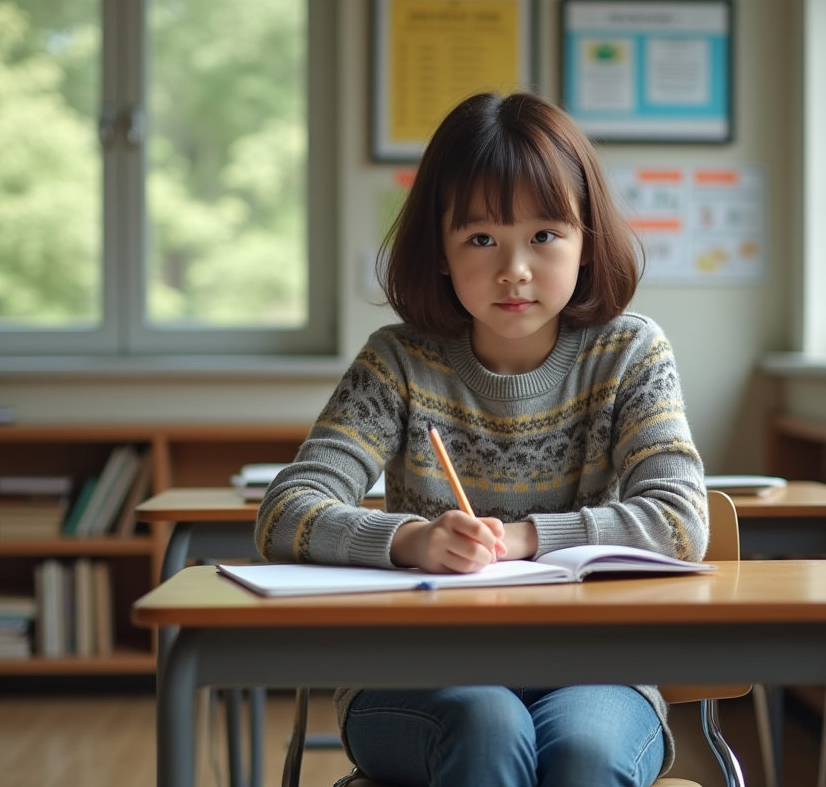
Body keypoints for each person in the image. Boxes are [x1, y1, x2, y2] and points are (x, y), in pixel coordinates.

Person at [256, 91, 708, 787]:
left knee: (584, 755)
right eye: (480, 239)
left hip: (595, 673)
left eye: (545, 235)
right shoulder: (399, 362)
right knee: (488, 726)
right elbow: (285, 511)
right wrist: (412, 540)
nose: (514, 269)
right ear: (439, 250)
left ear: (586, 240)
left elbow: (680, 522)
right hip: (418, 672)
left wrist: (523, 539)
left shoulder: (629, 353)